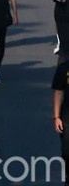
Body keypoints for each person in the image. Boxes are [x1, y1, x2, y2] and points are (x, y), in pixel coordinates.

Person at [52, 55, 69, 185]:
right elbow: (58, 92)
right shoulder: (64, 67)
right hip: (66, 118)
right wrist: (56, 117)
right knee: (66, 151)